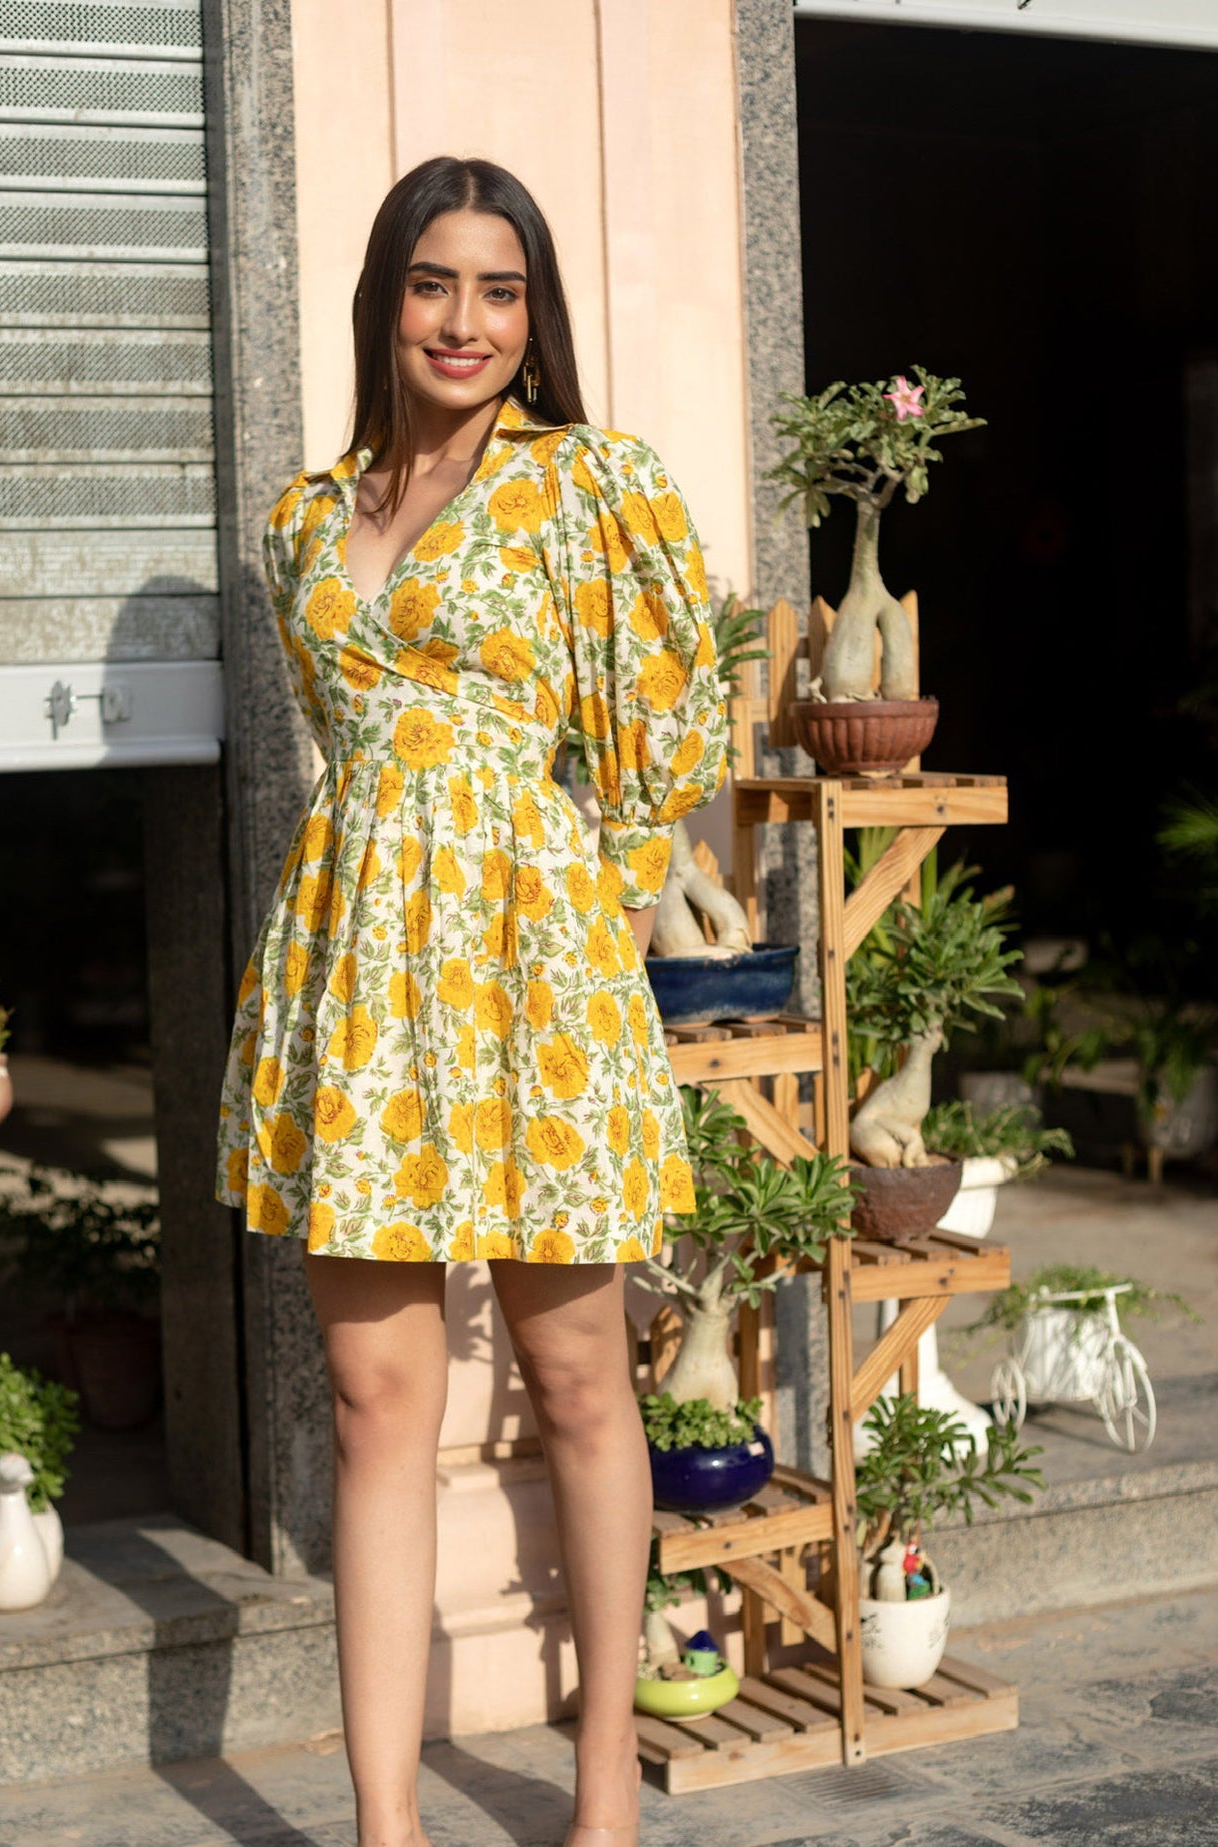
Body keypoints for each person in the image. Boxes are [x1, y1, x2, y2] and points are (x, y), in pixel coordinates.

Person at [216, 155, 730, 1847]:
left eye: (500, 291)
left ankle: (599, 1801)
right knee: (377, 1407)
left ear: (534, 315)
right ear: (384, 298)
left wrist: (583, 913)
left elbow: (661, 743)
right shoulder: (300, 518)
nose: (465, 321)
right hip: (359, 976)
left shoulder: (590, 487)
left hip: (534, 972)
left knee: (580, 1380)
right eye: (435, 283)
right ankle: (386, 1826)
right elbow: (339, 746)